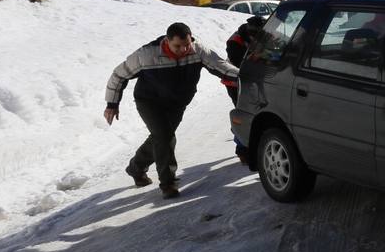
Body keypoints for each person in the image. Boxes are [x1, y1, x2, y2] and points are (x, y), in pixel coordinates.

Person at [103, 21, 240, 199]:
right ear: (167, 41)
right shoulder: (147, 55)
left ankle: (136, 167)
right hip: (150, 102)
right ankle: (168, 184)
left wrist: (246, 76)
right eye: (177, 46)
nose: (183, 50)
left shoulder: (197, 50)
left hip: (177, 103)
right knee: (165, 136)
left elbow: (221, 66)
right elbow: (119, 75)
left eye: (186, 45)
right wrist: (112, 104)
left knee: (160, 138)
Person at [222, 15, 265, 168]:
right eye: (255, 35)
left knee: (256, 113)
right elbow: (238, 64)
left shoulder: (264, 33)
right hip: (234, 81)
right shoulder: (235, 41)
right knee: (244, 114)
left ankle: (247, 146)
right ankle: (242, 150)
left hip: (254, 80)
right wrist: (259, 56)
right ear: (249, 31)